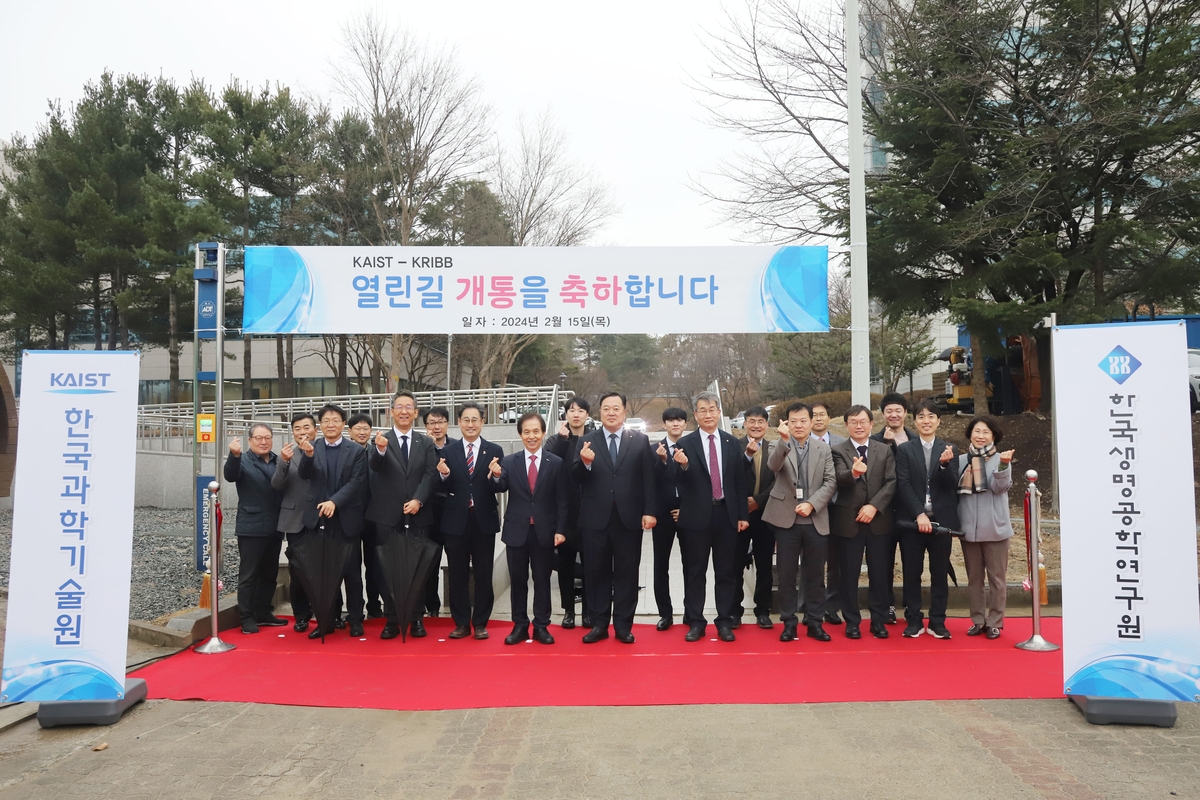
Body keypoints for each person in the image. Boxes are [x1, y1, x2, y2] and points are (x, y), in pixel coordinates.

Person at [572, 391, 657, 644]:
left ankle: (623, 625)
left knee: (627, 574)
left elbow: (648, 479)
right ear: (600, 412)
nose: (611, 412)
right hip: (595, 519)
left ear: (624, 411)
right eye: (606, 408)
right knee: (596, 572)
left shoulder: (640, 440)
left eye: (616, 408)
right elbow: (576, 478)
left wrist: (649, 511)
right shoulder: (586, 441)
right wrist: (585, 463)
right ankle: (598, 624)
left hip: (628, 518)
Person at [669, 392, 749, 642]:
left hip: (726, 514)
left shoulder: (731, 442)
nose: (708, 414)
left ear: (719, 412)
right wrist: (682, 466)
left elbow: (739, 482)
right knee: (695, 571)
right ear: (695, 415)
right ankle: (696, 621)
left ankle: (724, 621)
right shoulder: (686, 443)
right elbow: (681, 483)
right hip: (696, 517)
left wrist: (742, 515)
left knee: (726, 571)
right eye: (702, 410)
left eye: (712, 409)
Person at [491, 412, 570, 645]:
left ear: (544, 433)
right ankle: (519, 625)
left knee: (542, 580)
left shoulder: (555, 463)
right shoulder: (509, 461)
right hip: (517, 531)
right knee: (518, 580)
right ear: (520, 434)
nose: (531, 436)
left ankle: (542, 626)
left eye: (536, 431)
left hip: (545, 531)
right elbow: (501, 486)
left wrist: (561, 529)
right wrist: (495, 476)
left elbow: (562, 500)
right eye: (527, 432)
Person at [762, 402, 837, 643]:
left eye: (803, 420)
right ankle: (789, 622)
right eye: (793, 421)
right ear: (787, 422)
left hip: (814, 518)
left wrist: (812, 504)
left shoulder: (822, 448)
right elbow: (773, 467)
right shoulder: (778, 444)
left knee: (815, 576)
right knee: (786, 575)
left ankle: (815, 622)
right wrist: (783, 441)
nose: (799, 425)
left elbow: (830, 482)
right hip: (786, 519)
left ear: (811, 421)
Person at [367, 391, 439, 640]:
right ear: (392, 412)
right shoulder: (380, 440)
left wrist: (418, 500)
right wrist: (380, 450)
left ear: (416, 412)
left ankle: (416, 617)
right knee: (387, 568)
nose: (404, 411)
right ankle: (392, 618)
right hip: (387, 516)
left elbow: (431, 474)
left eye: (409, 407)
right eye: (399, 406)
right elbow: (375, 467)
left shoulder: (426, 442)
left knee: (418, 567)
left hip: (418, 514)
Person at [296, 404, 369, 639]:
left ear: (343, 425)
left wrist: (335, 502)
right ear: (320, 426)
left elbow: (357, 482)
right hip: (318, 519)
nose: (330, 424)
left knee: (352, 574)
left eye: (335, 420)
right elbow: (304, 475)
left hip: (346, 519)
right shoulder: (312, 447)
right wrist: (307, 457)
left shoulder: (356, 451)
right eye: (326, 421)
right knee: (323, 574)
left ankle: (356, 619)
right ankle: (327, 619)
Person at [894, 398, 960, 639]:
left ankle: (937, 621)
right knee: (912, 573)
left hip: (941, 524)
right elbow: (904, 484)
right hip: (912, 523)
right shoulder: (905, 450)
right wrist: (919, 514)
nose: (926, 421)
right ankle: (913, 619)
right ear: (915, 421)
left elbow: (952, 486)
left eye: (931, 416)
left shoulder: (949, 449)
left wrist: (944, 466)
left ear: (938, 421)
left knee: (939, 573)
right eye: (921, 417)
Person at [437, 402, 504, 640]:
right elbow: (440, 486)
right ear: (460, 422)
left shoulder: (494, 450)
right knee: (457, 573)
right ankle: (462, 622)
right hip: (455, 520)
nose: (470, 424)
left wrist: (497, 476)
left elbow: (501, 485)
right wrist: (443, 475)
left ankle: (481, 622)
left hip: (483, 519)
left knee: (484, 572)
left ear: (482, 422)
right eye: (466, 419)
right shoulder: (448, 451)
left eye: (475, 420)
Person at [829, 405, 896, 639]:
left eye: (863, 421)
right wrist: (854, 474)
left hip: (878, 522)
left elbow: (891, 482)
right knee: (848, 574)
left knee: (879, 574)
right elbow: (838, 478)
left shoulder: (884, 450)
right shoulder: (837, 450)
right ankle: (852, 621)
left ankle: (878, 621)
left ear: (871, 424)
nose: (859, 426)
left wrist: (874, 506)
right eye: (854, 422)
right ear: (846, 425)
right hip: (848, 522)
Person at [957, 416, 1016, 639]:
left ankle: (995, 621)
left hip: (995, 528)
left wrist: (1003, 465)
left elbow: (999, 488)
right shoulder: (961, 459)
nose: (980, 436)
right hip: (969, 528)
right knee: (974, 579)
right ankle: (977, 620)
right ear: (970, 434)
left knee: (996, 580)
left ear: (993, 436)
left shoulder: (1001, 458)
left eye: (985, 432)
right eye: (977, 431)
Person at [223, 423, 285, 634]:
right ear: (250, 441)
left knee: (270, 574)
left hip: (275, 526)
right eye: (258, 438)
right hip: (251, 526)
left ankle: (263, 612)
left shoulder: (279, 460)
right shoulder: (243, 460)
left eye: (267, 437)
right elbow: (230, 475)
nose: (263, 441)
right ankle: (247, 617)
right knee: (249, 575)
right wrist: (233, 455)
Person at [870, 392, 918, 625]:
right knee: (883, 563)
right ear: (883, 414)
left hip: (911, 511)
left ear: (906, 413)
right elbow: (875, 473)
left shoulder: (916, 439)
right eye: (889, 410)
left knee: (912, 563)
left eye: (898, 410)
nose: (894, 414)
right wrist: (887, 444)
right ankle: (886, 605)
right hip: (885, 512)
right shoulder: (875, 440)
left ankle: (911, 606)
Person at [544, 397, 590, 628]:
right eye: (572, 410)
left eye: (581, 410)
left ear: (587, 415)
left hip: (591, 512)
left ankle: (590, 611)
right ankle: (568, 610)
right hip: (564, 513)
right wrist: (562, 441)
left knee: (592, 564)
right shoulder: (556, 439)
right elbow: (548, 463)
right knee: (565, 565)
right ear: (566, 415)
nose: (576, 414)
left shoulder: (594, 439)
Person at [272, 412, 317, 632]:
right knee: (298, 571)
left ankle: (327, 611)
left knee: (325, 568)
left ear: (315, 430)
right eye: (297, 429)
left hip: (322, 518)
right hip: (295, 520)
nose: (302, 432)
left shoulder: (325, 451)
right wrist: (284, 462)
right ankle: (301, 615)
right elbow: (277, 485)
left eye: (306, 427)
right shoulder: (287, 454)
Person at [736, 406, 775, 629]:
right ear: (744, 423)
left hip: (766, 514)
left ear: (767, 425)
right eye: (752, 421)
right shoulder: (734, 447)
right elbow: (730, 477)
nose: (756, 425)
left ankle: (763, 610)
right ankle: (735, 611)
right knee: (735, 564)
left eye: (761, 421)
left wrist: (758, 500)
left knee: (764, 564)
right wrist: (744, 503)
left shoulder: (776, 449)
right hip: (740, 515)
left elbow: (779, 482)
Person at [650, 406, 689, 631]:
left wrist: (685, 507)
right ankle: (665, 613)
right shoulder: (653, 449)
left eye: (679, 420)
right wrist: (662, 462)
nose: (675, 424)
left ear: (685, 424)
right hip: (662, 514)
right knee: (660, 565)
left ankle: (690, 611)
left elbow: (696, 482)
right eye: (671, 421)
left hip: (687, 512)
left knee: (690, 564)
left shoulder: (693, 447)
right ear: (664, 424)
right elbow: (650, 482)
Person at [809, 400, 847, 624]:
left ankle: (832, 607)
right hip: (810, 509)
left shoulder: (841, 443)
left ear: (829, 418)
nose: (818, 418)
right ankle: (808, 606)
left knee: (836, 561)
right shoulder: (800, 442)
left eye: (822, 414)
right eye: (814, 415)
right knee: (811, 560)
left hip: (836, 508)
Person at [346, 413, 383, 621]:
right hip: (349, 516)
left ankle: (374, 604)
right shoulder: (345, 452)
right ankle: (354, 609)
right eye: (357, 428)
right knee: (351, 565)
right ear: (349, 431)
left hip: (374, 516)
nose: (362, 432)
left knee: (374, 564)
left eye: (366, 428)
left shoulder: (377, 451)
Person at [422, 406, 454, 618]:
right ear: (425, 426)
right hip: (428, 513)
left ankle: (456, 607)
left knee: (456, 561)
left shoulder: (457, 447)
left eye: (440, 421)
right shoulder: (421, 448)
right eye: (432, 423)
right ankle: (431, 606)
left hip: (452, 512)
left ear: (447, 424)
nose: (436, 426)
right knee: (429, 563)